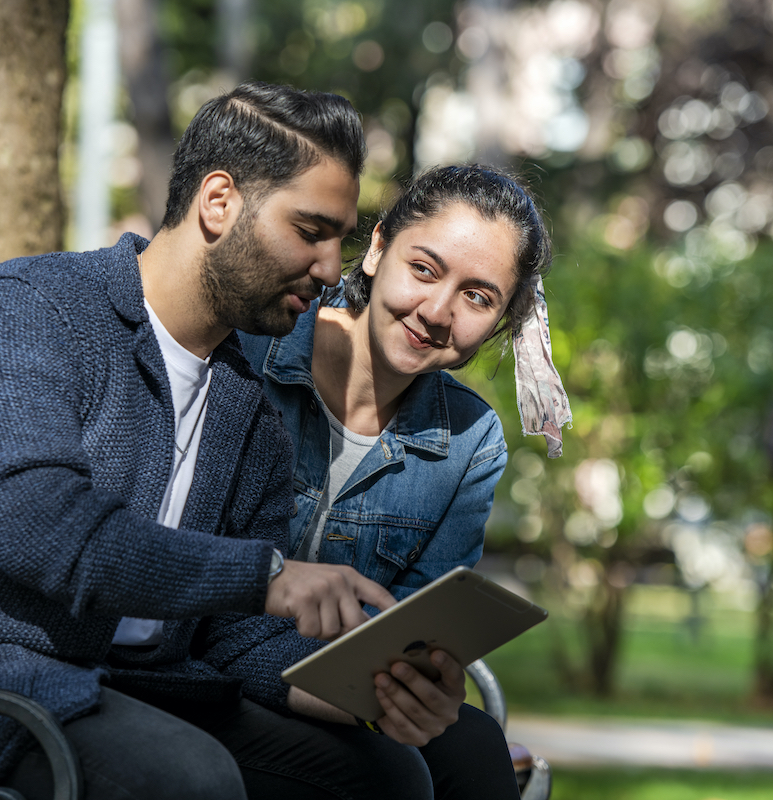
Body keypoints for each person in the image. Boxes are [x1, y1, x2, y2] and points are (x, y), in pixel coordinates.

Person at [0, 81, 457, 800]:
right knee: (188, 779)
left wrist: (371, 691)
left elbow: (235, 636)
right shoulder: (29, 310)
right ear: (219, 202)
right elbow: (48, 532)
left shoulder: (247, 402)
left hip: (117, 687)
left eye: (339, 238)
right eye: (310, 231)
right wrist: (269, 576)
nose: (330, 267)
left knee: (385, 779)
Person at [238, 165, 571, 798]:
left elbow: (417, 628)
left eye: (478, 297)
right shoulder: (250, 357)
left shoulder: (471, 442)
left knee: (470, 744)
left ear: (503, 318)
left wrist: (425, 692)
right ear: (378, 247)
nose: (436, 312)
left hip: (342, 692)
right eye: (424, 269)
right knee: (390, 777)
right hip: (219, 666)